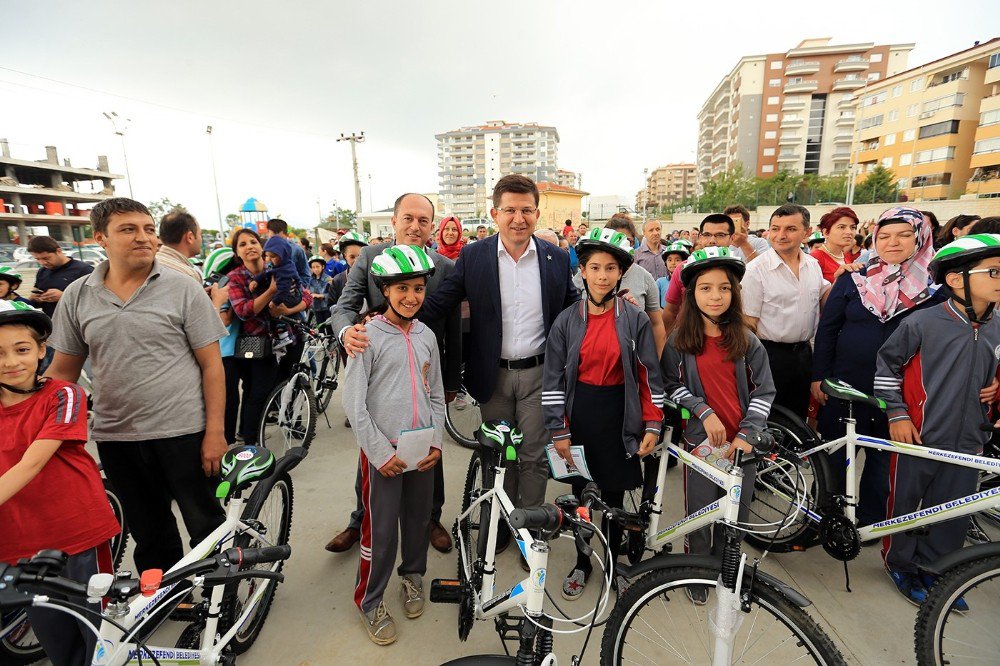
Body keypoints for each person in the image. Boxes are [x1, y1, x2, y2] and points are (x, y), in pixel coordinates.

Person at [45, 197, 228, 574]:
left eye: (148, 229)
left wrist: (215, 432)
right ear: (101, 238)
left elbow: (212, 366)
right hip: (116, 436)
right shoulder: (78, 295)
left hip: (184, 432)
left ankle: (218, 594)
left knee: (204, 521)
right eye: (128, 230)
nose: (143, 238)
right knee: (149, 529)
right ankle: (166, 596)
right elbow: (63, 371)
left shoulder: (183, 289)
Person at [420, 175, 579, 540]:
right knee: (499, 455)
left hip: (540, 374)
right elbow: (443, 300)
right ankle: (501, 527)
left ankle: (530, 530)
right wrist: (392, 316)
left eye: (526, 210)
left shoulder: (555, 258)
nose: (518, 218)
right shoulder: (474, 256)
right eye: (510, 210)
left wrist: (610, 309)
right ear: (495, 213)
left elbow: (573, 306)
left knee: (534, 457)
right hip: (493, 378)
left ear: (537, 213)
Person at [327, 194, 460, 555]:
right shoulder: (370, 258)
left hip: (425, 372)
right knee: (374, 449)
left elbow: (451, 328)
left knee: (430, 448)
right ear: (395, 221)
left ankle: (431, 518)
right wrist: (346, 332)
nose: (415, 226)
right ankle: (360, 520)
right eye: (408, 218)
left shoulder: (445, 268)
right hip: (380, 371)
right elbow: (345, 305)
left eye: (423, 220)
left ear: (432, 225)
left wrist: (451, 382)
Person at [875, 233, 1000, 606]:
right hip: (920, 435)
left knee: (954, 508)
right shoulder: (923, 323)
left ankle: (936, 569)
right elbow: (886, 367)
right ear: (956, 279)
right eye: (993, 271)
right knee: (907, 503)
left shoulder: (998, 325)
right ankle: (899, 562)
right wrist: (896, 414)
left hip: (970, 439)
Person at [542, 228, 663, 598]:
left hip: (619, 415)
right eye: (594, 267)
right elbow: (552, 380)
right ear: (582, 271)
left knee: (612, 500)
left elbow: (648, 375)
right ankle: (582, 561)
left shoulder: (634, 318)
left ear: (621, 273)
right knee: (583, 498)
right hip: (580, 418)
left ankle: (612, 561)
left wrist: (653, 423)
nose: (602, 276)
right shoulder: (566, 321)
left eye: (611, 268)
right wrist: (558, 430)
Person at [0, 301, 120, 666]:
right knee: (55, 637)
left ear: (41, 350)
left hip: (76, 532)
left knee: (97, 632)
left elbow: (32, 461)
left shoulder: (64, 395)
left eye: (22, 350)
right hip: (17, 541)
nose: (10, 362)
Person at [812, 207, 948, 527]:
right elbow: (828, 330)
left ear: (921, 237)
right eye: (884, 236)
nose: (893, 243)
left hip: (900, 392)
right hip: (847, 384)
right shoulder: (855, 277)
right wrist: (819, 377)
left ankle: (870, 521)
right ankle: (828, 516)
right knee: (834, 455)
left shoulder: (936, 288)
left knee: (883, 459)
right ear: (874, 238)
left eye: (904, 235)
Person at [342, 245, 445, 646]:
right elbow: (354, 403)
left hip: (421, 450)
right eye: (401, 288)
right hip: (383, 453)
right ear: (385, 289)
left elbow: (435, 393)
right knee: (380, 531)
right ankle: (370, 600)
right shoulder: (367, 337)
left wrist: (436, 442)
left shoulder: (427, 335)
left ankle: (413, 576)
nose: (411, 296)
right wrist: (379, 454)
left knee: (417, 520)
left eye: (418, 288)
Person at [660, 247, 775, 605]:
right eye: (705, 288)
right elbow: (670, 386)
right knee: (701, 511)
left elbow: (764, 391)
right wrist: (702, 411)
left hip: (742, 448)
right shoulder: (680, 342)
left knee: (735, 512)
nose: (715, 296)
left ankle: (727, 568)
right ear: (691, 294)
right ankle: (698, 570)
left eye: (724, 288)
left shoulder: (748, 341)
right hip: (701, 446)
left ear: (734, 293)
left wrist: (746, 434)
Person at [741, 204, 828, 418]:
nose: (781, 235)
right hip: (769, 356)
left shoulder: (813, 266)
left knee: (797, 418)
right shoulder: (756, 270)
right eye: (775, 228)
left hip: (803, 356)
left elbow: (825, 296)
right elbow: (748, 323)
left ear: (806, 233)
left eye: (790, 229)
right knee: (770, 419)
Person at [226, 228, 311, 443]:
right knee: (257, 392)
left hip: (290, 337)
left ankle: (293, 423)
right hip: (256, 341)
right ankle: (250, 440)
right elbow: (244, 311)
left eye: (253, 241)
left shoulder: (278, 266)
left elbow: (306, 296)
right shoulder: (234, 278)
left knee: (291, 384)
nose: (249, 247)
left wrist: (285, 311)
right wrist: (271, 292)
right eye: (242, 244)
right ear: (237, 252)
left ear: (262, 246)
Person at [574, 216, 666, 355]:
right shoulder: (584, 275)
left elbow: (657, 324)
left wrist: (654, 364)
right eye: (617, 240)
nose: (602, 277)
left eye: (627, 240)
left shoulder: (645, 277)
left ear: (634, 241)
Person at [662, 214, 738, 332]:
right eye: (707, 235)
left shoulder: (738, 270)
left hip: (731, 338)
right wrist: (667, 343)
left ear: (732, 238)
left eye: (720, 235)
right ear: (700, 238)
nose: (712, 241)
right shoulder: (683, 269)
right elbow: (670, 311)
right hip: (689, 338)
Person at [257, 235, 304, 353]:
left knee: (276, 313)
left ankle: (283, 336)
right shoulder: (279, 265)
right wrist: (256, 280)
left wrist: (274, 302)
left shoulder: (284, 270)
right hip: (293, 296)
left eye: (272, 256)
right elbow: (267, 273)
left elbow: (283, 289)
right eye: (266, 256)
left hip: (289, 296)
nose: (268, 259)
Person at [810, 207, 860, 283]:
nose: (849, 232)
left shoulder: (846, 257)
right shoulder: (815, 259)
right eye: (842, 227)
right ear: (826, 232)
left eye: (853, 227)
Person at [156, 210, 204, 281]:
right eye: (200, 234)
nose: (201, 239)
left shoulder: (150, 264)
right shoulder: (188, 275)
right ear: (190, 237)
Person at [329, 232, 369, 306]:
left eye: (360, 256)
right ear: (345, 256)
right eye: (352, 257)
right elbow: (331, 304)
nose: (356, 261)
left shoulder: (373, 278)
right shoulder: (338, 280)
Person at [265, 218, 310, 283]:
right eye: (271, 235)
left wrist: (295, 285)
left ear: (283, 233)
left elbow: (305, 275)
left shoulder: (296, 250)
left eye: (276, 236)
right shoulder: (266, 249)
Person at [657, 242, 689, 308]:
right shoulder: (660, 282)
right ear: (665, 263)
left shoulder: (689, 281)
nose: (673, 263)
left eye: (677, 260)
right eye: (669, 260)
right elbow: (656, 305)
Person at [306, 256, 336, 324]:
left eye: (317, 266)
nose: (316, 269)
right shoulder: (310, 280)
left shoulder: (329, 279)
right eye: (313, 267)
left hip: (326, 308)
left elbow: (333, 295)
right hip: (316, 308)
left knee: (329, 327)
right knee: (320, 327)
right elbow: (308, 291)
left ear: (323, 266)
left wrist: (321, 296)